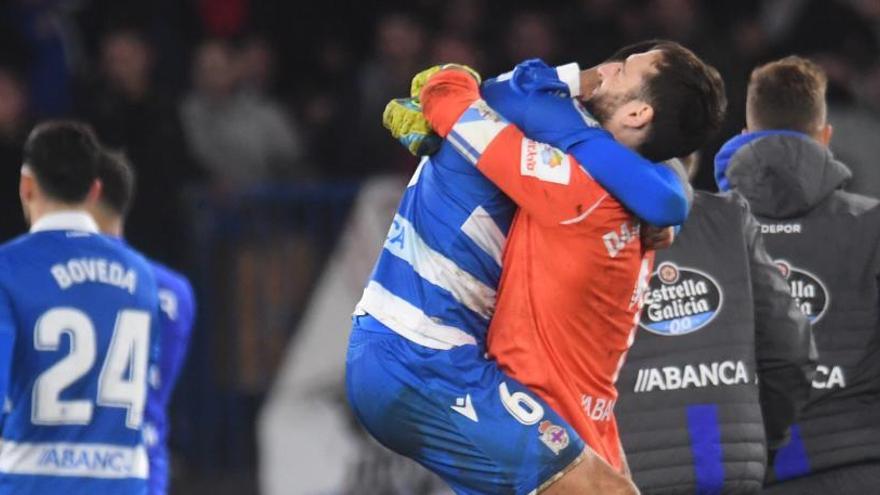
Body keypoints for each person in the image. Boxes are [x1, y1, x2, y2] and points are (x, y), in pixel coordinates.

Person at [347, 39, 725, 494]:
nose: (604, 71)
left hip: (436, 358)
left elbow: (462, 94)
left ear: (639, 115)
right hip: (418, 355)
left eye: (622, 69)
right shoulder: (577, 171)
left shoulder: (582, 172)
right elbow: (461, 95)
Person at [714, 56, 880, 494]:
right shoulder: (874, 225)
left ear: (745, 136)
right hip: (856, 462)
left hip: (743, 466)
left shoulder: (702, 227)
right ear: (825, 138)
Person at [614, 156, 815, 494]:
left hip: (621, 473)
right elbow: (790, 350)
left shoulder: (570, 223)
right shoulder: (729, 217)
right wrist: (761, 438)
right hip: (730, 468)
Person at [0, 121, 160, 494]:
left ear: (26, 186)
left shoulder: (7, 270)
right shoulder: (141, 276)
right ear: (95, 190)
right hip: (124, 484)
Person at [87, 150, 196, 495]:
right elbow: (160, 387)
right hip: (143, 467)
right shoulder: (173, 291)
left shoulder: (51, 284)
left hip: (70, 468)